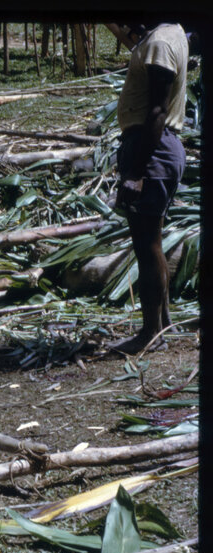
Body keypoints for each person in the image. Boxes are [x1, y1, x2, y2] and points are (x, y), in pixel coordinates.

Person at [108, 22, 188, 355]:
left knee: (146, 243)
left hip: (151, 149)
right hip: (153, 147)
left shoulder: (160, 42)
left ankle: (150, 333)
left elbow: (157, 110)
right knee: (150, 241)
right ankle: (162, 323)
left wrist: (137, 172)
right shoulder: (170, 34)